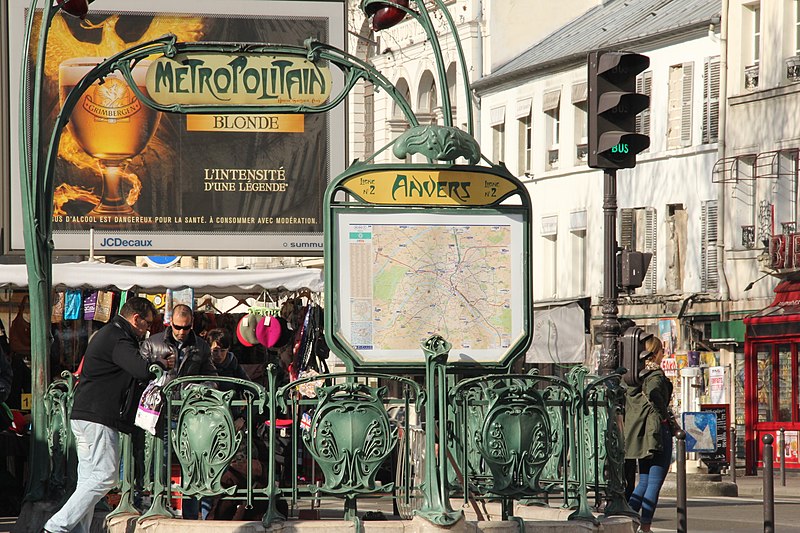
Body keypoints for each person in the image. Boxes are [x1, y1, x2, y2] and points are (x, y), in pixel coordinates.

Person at [44, 297, 169, 533]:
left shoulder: (109, 333)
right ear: (136, 319)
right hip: (97, 416)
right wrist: (157, 362)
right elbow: (139, 368)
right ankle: (56, 526)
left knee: (88, 480)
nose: (149, 330)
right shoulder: (118, 337)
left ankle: (76, 530)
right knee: (105, 476)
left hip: (85, 414)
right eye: (147, 324)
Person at [139, 304, 216, 520]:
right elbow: (139, 374)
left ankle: (191, 515)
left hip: (189, 413)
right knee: (160, 461)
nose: (182, 332)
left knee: (191, 463)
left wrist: (202, 388)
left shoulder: (200, 346)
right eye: (178, 327)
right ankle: (160, 506)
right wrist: (159, 365)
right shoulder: (153, 343)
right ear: (169, 322)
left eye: (186, 327)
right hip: (161, 411)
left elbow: (211, 375)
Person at [624, 336, 677, 533]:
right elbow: (655, 393)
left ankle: (627, 520)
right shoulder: (655, 376)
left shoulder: (633, 377)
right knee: (654, 482)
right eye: (662, 350)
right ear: (655, 353)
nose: (664, 354)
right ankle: (645, 527)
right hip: (656, 432)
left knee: (644, 481)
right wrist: (663, 414)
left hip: (640, 433)